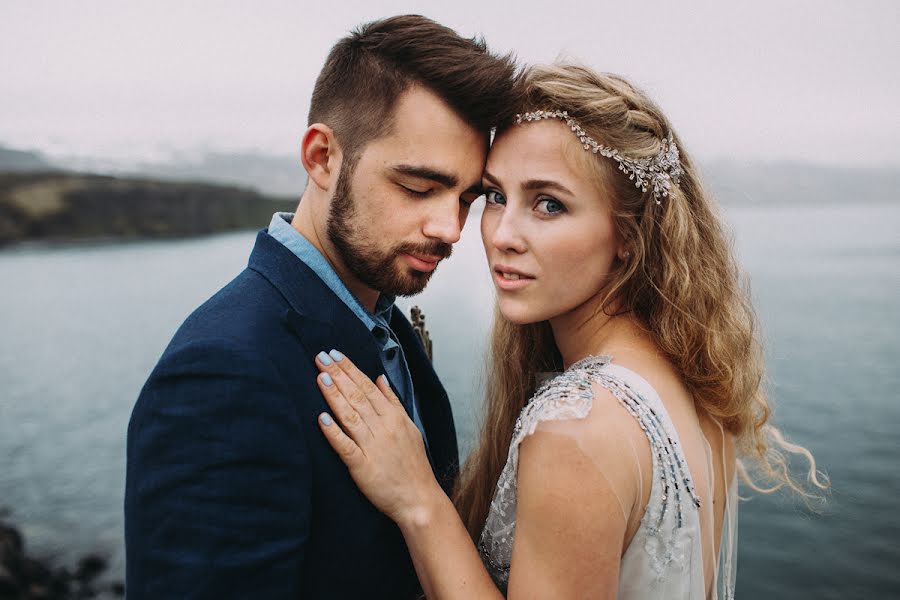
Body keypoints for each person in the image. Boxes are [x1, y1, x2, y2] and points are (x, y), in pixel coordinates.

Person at [311, 63, 827, 598]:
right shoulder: (692, 385)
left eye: (549, 204)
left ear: (628, 234)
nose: (503, 234)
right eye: (495, 196)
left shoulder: (574, 429)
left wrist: (418, 500)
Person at [124, 15, 520, 599]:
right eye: (417, 187)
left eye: (466, 198)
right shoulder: (223, 371)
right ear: (321, 156)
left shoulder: (383, 320)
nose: (450, 229)